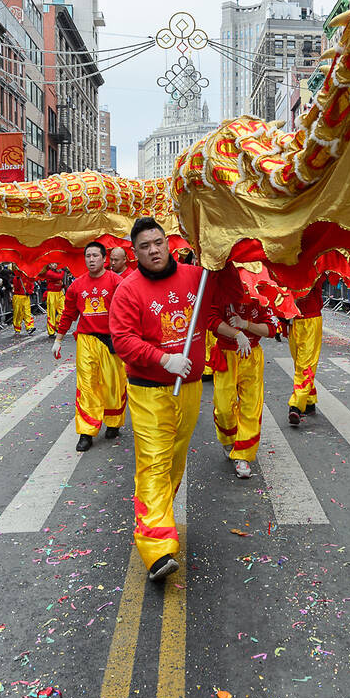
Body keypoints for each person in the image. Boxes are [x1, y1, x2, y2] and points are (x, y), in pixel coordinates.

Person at [110, 217, 223, 584]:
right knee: (155, 461)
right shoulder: (128, 289)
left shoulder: (196, 276)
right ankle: (157, 546)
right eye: (145, 246)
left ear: (168, 243)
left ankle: (157, 516)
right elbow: (123, 340)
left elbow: (217, 306)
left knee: (174, 459)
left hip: (188, 389)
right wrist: (162, 358)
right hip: (149, 389)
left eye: (158, 242)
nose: (153, 250)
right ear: (135, 253)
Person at [56, 242, 126, 452]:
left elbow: (128, 310)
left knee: (114, 385)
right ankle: (86, 431)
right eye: (88, 256)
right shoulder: (77, 285)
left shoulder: (117, 281)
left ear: (104, 259)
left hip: (111, 340)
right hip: (86, 340)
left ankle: (113, 423)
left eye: (96, 255)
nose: (91, 259)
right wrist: (58, 339)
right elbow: (69, 313)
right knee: (87, 385)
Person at [211, 271, 278, 480]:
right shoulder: (221, 287)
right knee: (223, 407)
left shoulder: (262, 291)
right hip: (225, 354)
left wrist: (246, 325)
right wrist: (235, 334)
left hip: (251, 357)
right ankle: (229, 440)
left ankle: (243, 455)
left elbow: (271, 329)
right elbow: (211, 320)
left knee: (251, 406)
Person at [287, 273, 326, 426]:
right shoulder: (286, 262)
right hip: (294, 321)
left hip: (310, 320)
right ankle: (309, 402)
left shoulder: (315, 265)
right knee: (299, 362)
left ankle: (296, 404)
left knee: (305, 364)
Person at [41, 261, 69, 338]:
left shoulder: (58, 271)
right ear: (49, 265)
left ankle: (57, 325)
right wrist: (63, 271)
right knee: (51, 313)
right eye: (52, 264)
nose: (55, 265)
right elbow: (59, 277)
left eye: (56, 263)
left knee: (63, 311)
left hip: (59, 293)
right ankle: (51, 331)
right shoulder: (49, 273)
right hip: (52, 294)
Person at [9, 266, 36, 333]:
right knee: (18, 313)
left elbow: (31, 286)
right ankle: (17, 328)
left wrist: (29, 292)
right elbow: (16, 287)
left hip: (26, 297)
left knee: (27, 312)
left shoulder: (28, 277)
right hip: (18, 297)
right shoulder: (16, 278)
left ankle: (29, 327)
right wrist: (18, 279)